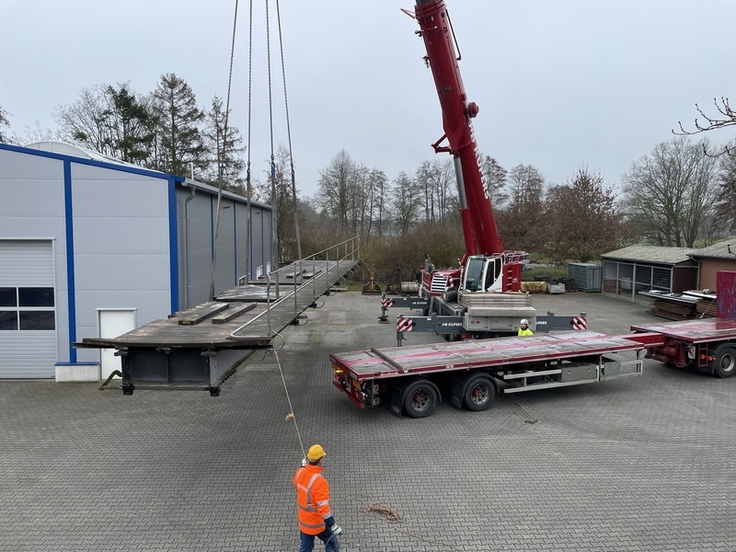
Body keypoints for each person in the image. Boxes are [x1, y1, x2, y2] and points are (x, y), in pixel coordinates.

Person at [293, 444, 341, 552]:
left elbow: (296, 483)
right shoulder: (320, 482)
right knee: (331, 542)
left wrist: (302, 467)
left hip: (304, 523)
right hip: (317, 523)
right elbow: (323, 509)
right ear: (320, 459)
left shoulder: (299, 472)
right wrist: (333, 525)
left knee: (305, 548)